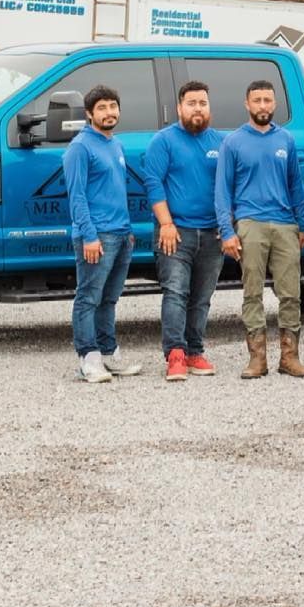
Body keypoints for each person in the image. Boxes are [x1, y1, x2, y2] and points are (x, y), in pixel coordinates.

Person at [215, 79, 304, 380]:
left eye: (268, 100)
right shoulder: (233, 142)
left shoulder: (286, 140)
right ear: (247, 104)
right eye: (257, 100)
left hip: (285, 225)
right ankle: (257, 359)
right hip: (250, 224)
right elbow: (222, 191)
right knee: (252, 292)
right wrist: (227, 231)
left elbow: (296, 185)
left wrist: (302, 222)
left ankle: (290, 357)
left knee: (291, 294)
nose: (263, 106)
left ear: (275, 104)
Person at [143, 80, 225, 382]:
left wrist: (226, 226)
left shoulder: (220, 142)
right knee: (176, 293)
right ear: (179, 108)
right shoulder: (163, 141)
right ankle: (175, 354)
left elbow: (228, 188)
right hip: (175, 233)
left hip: (212, 234)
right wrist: (165, 223)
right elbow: (153, 183)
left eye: (202, 103)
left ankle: (194, 351)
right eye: (191, 103)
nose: (197, 108)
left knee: (202, 297)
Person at [64, 83, 143, 383]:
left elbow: (117, 191)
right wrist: (89, 235)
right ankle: (89, 359)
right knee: (88, 297)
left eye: (113, 106)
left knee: (110, 298)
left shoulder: (115, 144)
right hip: (97, 236)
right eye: (102, 108)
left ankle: (109, 354)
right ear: (89, 113)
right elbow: (77, 197)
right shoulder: (80, 148)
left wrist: (129, 231)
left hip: (121, 235)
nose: (109, 113)